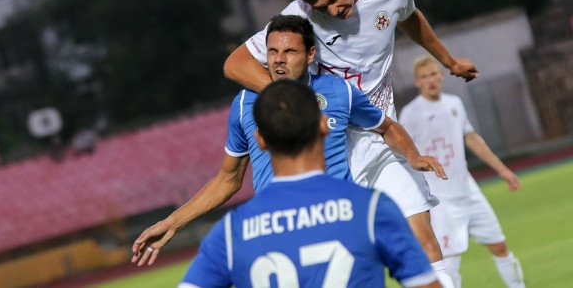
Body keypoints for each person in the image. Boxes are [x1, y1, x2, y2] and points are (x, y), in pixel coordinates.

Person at [223, 0, 476, 284]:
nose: (332, 10)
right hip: (334, 152)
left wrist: (448, 61)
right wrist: (290, 96)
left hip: (383, 137)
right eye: (321, 7)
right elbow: (236, 64)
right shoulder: (299, 15)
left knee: (423, 244)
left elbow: (409, 17)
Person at [132, 15, 446, 268]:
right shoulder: (245, 105)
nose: (279, 61)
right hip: (279, 232)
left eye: (290, 52)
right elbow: (228, 179)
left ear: (310, 55)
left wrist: (412, 155)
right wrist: (173, 222)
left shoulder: (338, 91)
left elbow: (386, 127)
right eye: (272, 52)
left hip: (338, 223)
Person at [179, 79, 441, 287]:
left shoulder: (233, 231)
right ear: (324, 126)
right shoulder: (371, 209)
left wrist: (170, 224)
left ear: (260, 140)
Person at [399, 55, 525, 288]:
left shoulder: (454, 103)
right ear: (417, 81)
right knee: (449, 263)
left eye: (434, 74)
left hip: (468, 191)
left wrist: (503, 170)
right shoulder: (410, 113)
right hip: (441, 199)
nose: (430, 80)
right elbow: (402, 152)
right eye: (424, 77)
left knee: (500, 246)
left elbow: (471, 138)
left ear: (441, 76)